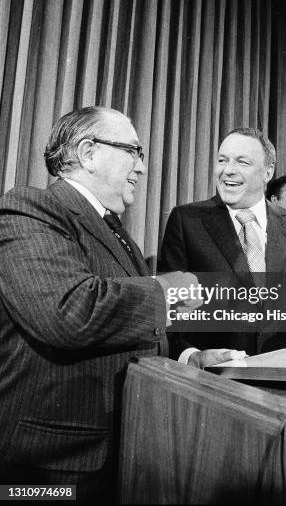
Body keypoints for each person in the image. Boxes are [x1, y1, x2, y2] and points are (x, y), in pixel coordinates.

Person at [0, 106, 224, 503]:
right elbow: (68, 312)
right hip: (52, 468)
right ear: (88, 153)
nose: (141, 167)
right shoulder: (30, 208)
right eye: (133, 152)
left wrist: (189, 358)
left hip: (122, 451)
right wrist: (169, 289)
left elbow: (131, 330)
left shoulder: (117, 232)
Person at [160, 128, 286, 356]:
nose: (228, 170)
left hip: (284, 377)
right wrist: (191, 356)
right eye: (222, 160)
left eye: (242, 162)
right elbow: (171, 311)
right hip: (215, 380)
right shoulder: (186, 220)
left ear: (267, 172)